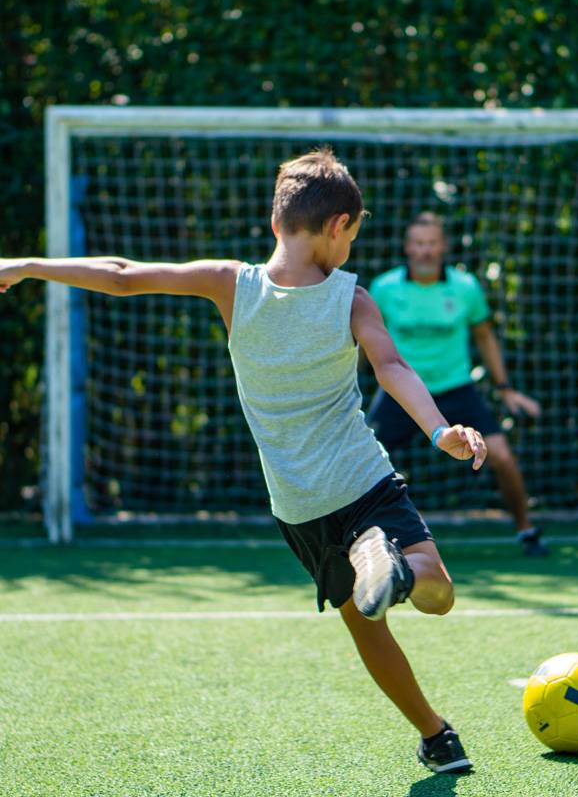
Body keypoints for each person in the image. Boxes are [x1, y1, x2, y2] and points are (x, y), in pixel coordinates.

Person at [0, 150, 487, 775]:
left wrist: (28, 265)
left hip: (299, 506)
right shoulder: (352, 297)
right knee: (437, 595)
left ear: (275, 218)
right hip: (363, 485)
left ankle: (436, 735)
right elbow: (391, 367)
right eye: (355, 232)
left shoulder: (232, 283)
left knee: (367, 627)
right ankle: (391, 573)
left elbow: (121, 275)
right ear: (339, 225)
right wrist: (441, 430)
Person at [368, 212, 548, 557]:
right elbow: (365, 342)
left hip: (456, 389)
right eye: (419, 243)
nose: (425, 250)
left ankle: (527, 530)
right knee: (366, 461)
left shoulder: (465, 288)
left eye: (432, 243)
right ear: (407, 247)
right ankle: (363, 540)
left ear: (444, 247)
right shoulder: (384, 288)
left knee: (503, 456)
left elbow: (484, 335)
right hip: (402, 393)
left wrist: (504, 387)